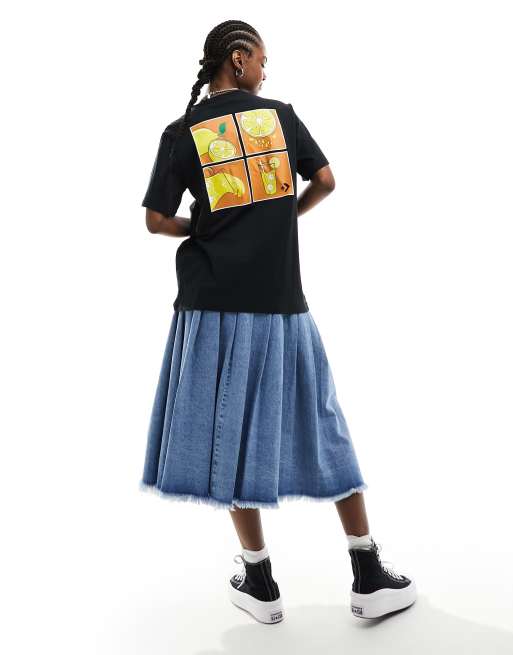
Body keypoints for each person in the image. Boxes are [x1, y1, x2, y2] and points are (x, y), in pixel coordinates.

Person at [139, 19, 417, 624]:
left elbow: (156, 221)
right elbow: (326, 181)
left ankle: (260, 581)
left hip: (210, 304)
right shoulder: (281, 118)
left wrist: (205, 228)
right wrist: (284, 217)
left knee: (228, 432)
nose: (266, 72)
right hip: (280, 300)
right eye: (263, 60)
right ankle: (367, 571)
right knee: (324, 421)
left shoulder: (182, 131)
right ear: (239, 58)